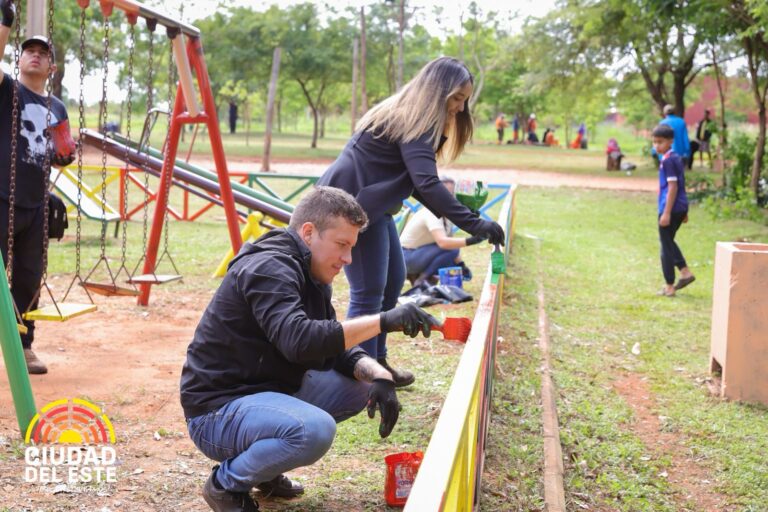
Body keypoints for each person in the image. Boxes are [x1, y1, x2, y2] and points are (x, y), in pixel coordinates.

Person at [180, 187, 439, 512]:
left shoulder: (310, 271)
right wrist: (384, 320)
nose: (348, 259)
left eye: (352, 247)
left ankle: (265, 470)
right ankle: (225, 485)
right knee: (314, 429)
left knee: (361, 387)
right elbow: (300, 340)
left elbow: (335, 347)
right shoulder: (269, 268)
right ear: (308, 233)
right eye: (342, 245)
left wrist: (381, 376)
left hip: (264, 393)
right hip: (217, 411)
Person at [316, 57, 505, 387]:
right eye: (457, 99)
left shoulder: (413, 118)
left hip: (373, 207)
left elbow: (418, 183)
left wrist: (468, 218)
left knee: (393, 282)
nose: (460, 109)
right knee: (368, 290)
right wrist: (475, 223)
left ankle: (378, 361)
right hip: (349, 207)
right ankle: (360, 371)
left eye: (465, 101)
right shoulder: (412, 120)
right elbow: (428, 184)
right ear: (439, 92)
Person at [1, 2, 76, 375]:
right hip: (1, 198)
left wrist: (67, 148)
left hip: (35, 205)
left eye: (42, 53)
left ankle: (24, 345)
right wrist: (4, 22)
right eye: (29, 50)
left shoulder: (57, 106)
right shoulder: (7, 91)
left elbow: (63, 156)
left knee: (29, 278)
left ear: (52, 67)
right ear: (19, 60)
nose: (35, 56)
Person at [400, 176, 487, 287]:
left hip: (417, 255)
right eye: (446, 194)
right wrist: (472, 240)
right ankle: (422, 280)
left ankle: (424, 279)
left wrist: (461, 265)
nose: (450, 197)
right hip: (406, 258)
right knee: (452, 250)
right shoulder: (431, 213)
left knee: (451, 259)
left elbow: (449, 243)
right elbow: (444, 243)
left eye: (452, 194)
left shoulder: (445, 214)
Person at [651, 124, 695, 297]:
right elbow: (682, 184)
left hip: (670, 207)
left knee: (666, 246)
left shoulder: (668, 160)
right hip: (679, 206)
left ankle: (670, 285)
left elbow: (674, 187)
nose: (657, 146)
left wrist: (667, 212)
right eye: (654, 142)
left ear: (670, 141)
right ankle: (685, 272)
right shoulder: (675, 157)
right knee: (668, 240)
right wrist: (684, 210)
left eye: (660, 142)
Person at [659, 104, 691, 168]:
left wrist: (658, 153)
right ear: (674, 112)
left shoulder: (662, 123)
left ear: (664, 113)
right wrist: (687, 151)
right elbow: (685, 138)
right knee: (679, 174)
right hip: (680, 153)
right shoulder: (681, 122)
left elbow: (660, 139)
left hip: (666, 153)